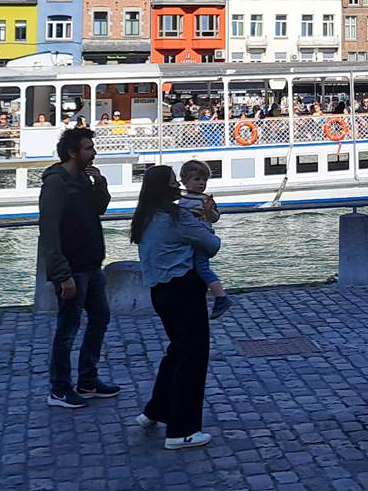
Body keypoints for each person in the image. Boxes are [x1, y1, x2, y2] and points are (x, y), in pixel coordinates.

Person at [130, 163, 220, 450]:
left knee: (177, 351)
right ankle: (181, 429)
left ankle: (156, 409)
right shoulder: (177, 216)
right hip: (184, 289)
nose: (177, 186)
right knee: (193, 357)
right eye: (173, 181)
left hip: (160, 291)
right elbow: (211, 243)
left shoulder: (143, 218)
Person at [38, 127, 117, 409]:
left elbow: (99, 209)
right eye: (88, 148)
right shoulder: (56, 183)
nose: (93, 152)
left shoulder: (83, 178)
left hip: (91, 265)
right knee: (67, 328)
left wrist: (101, 185)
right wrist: (62, 274)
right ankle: (59, 388)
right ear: (73, 152)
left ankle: (88, 380)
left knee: (100, 318)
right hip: (73, 269)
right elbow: (49, 230)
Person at [177, 160, 232, 317]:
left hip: (201, 239)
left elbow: (215, 218)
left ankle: (221, 296)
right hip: (189, 239)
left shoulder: (205, 199)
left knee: (202, 267)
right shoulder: (182, 199)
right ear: (185, 181)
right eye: (197, 179)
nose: (201, 183)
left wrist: (209, 211)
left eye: (204, 180)